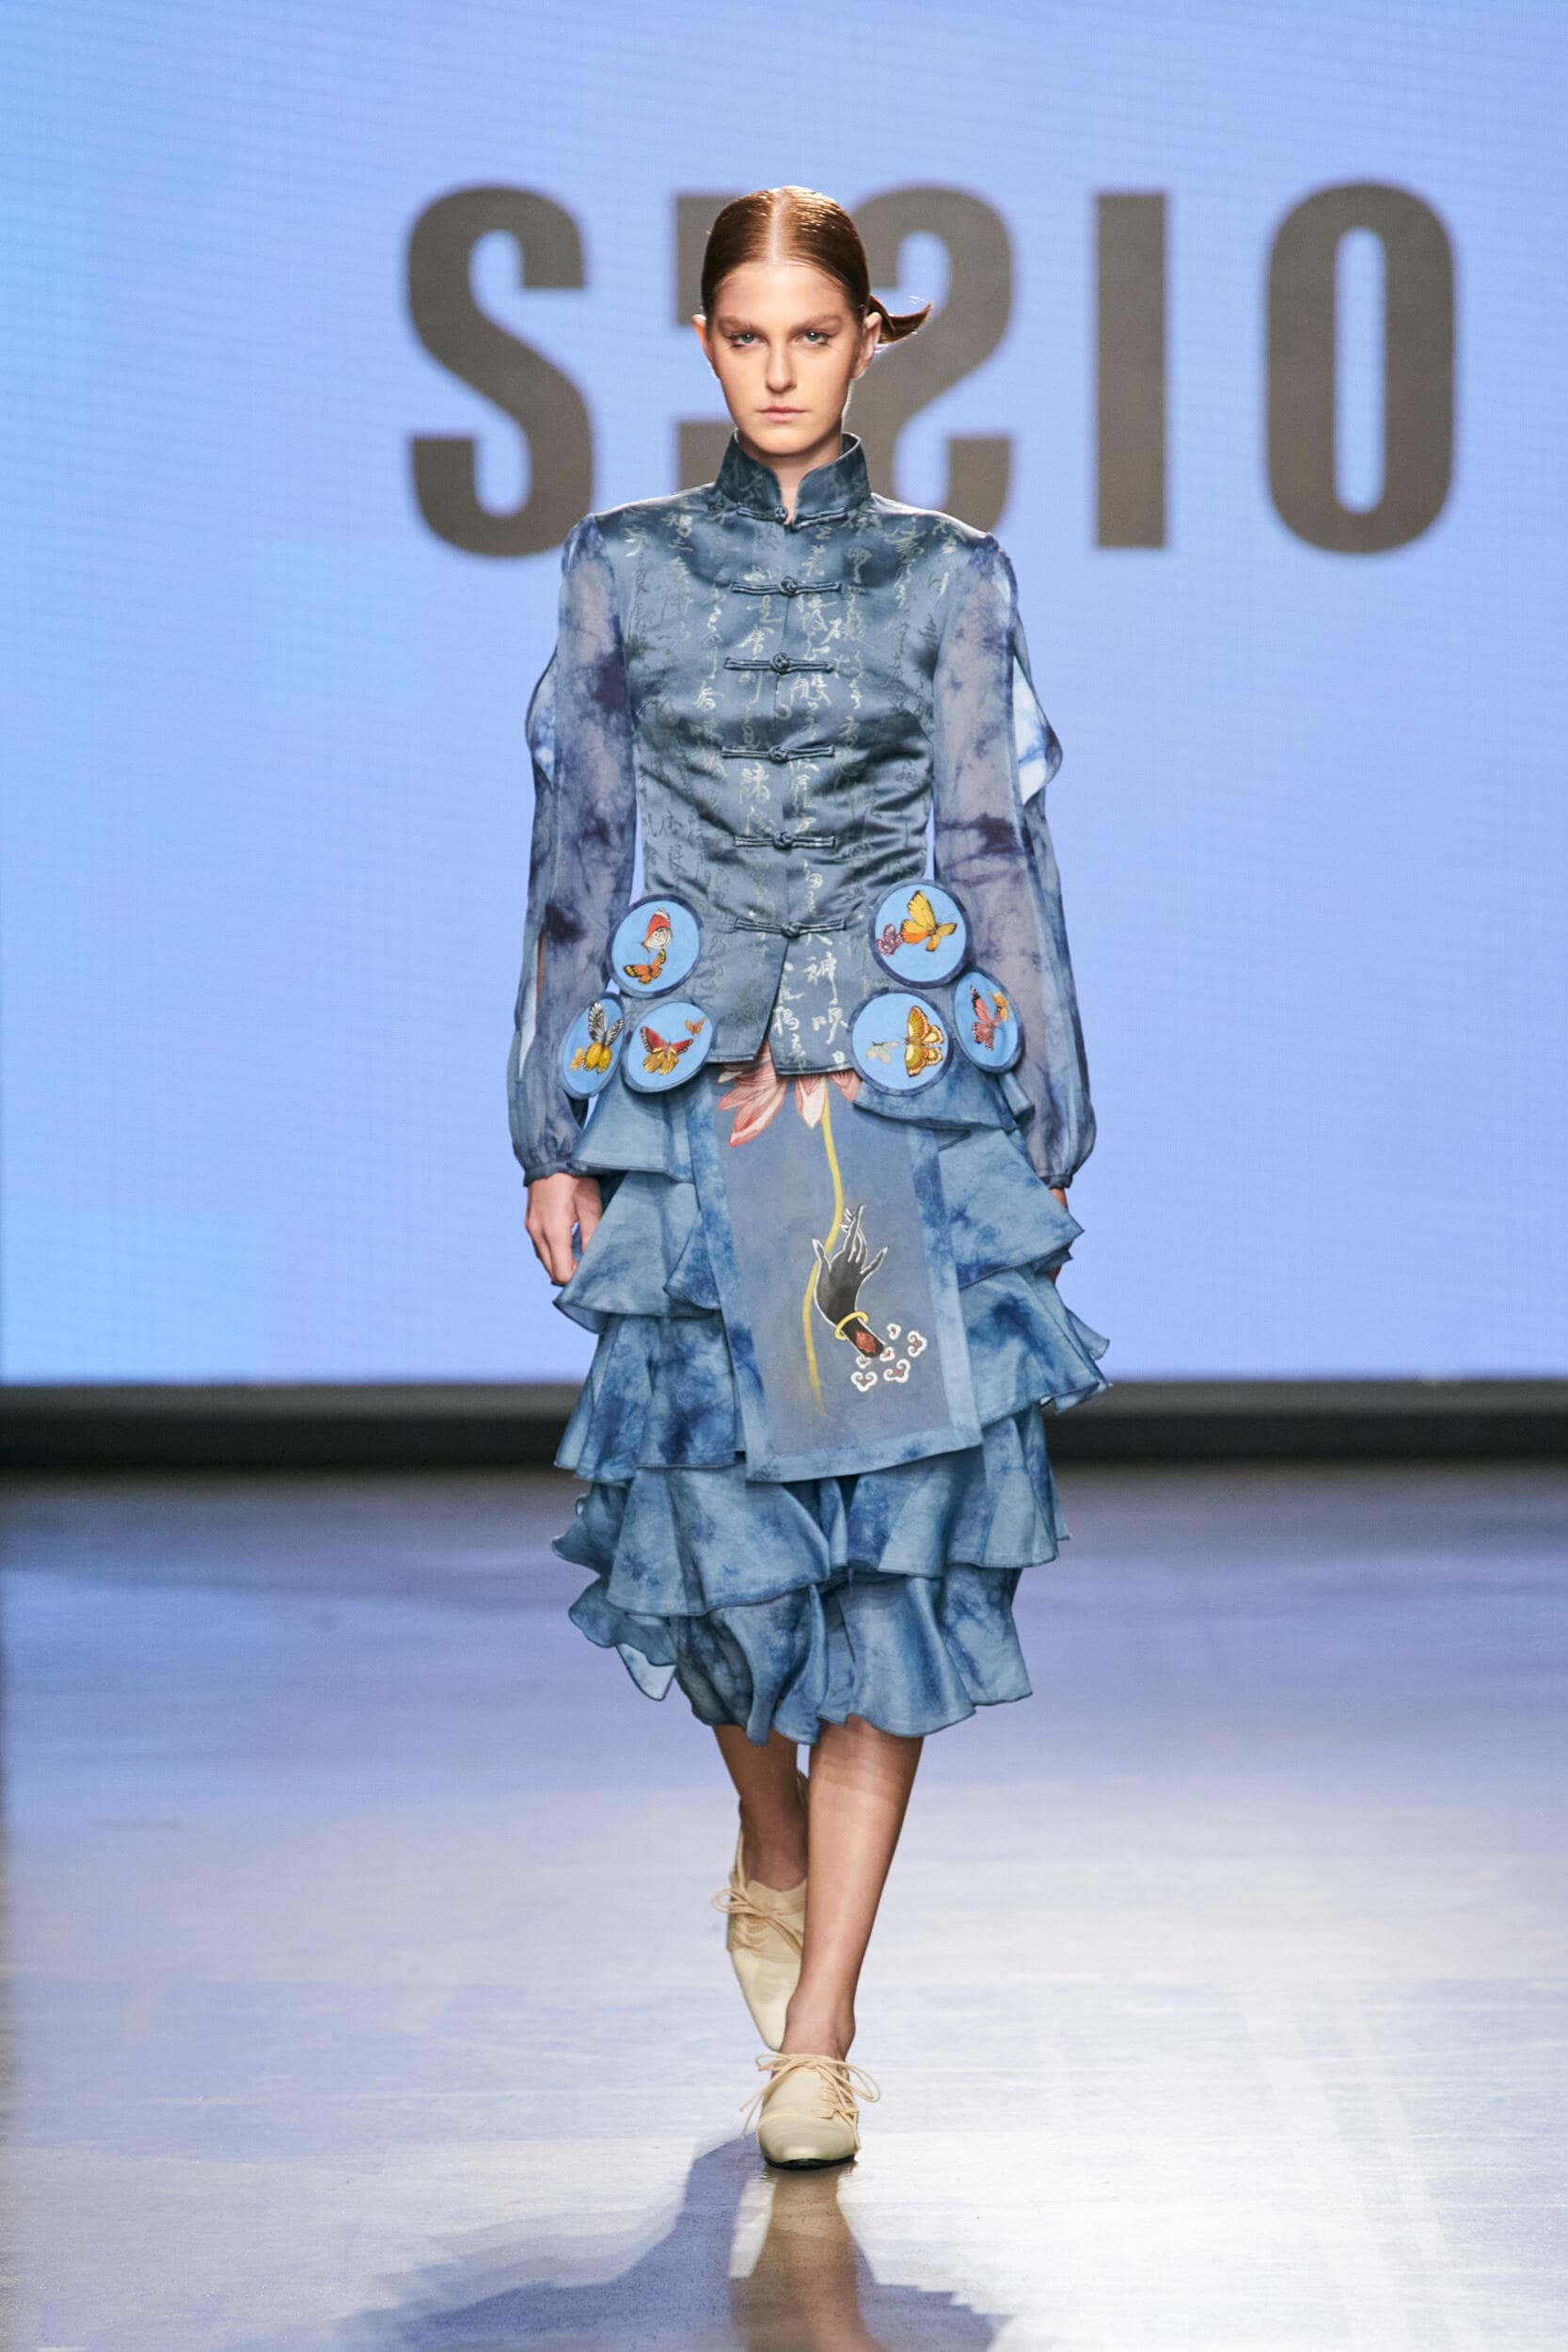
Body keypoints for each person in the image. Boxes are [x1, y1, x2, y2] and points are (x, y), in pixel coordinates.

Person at [508, 184, 1110, 2168]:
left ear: (871, 342)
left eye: (814, 335)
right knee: (702, 1543)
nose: (781, 371)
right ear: (708, 343)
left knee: (889, 1554)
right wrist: (548, 1131)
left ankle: (824, 2031)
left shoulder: (951, 575)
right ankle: (766, 1835)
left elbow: (996, 846)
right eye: (747, 336)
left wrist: (1043, 1115)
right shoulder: (622, 566)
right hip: (689, 1113)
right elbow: (578, 855)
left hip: (884, 1115)